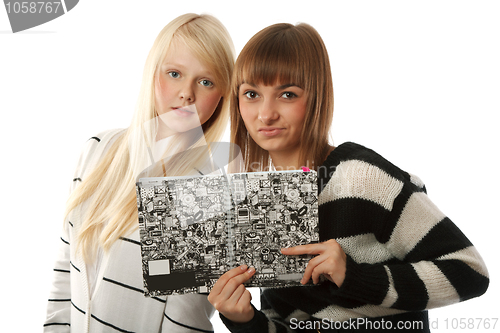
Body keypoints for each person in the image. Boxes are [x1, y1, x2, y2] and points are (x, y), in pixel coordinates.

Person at [207, 22, 489, 332]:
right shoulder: (265, 203)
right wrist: (244, 320)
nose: (266, 113)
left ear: (316, 96)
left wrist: (352, 277)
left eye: (287, 94)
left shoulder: (361, 177)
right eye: (251, 94)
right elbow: (289, 324)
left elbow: (470, 272)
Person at [43, 13, 235, 332]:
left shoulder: (206, 194)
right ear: (152, 72)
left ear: (222, 95)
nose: (187, 93)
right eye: (174, 73)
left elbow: (184, 324)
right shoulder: (97, 149)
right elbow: (64, 279)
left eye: (206, 81)